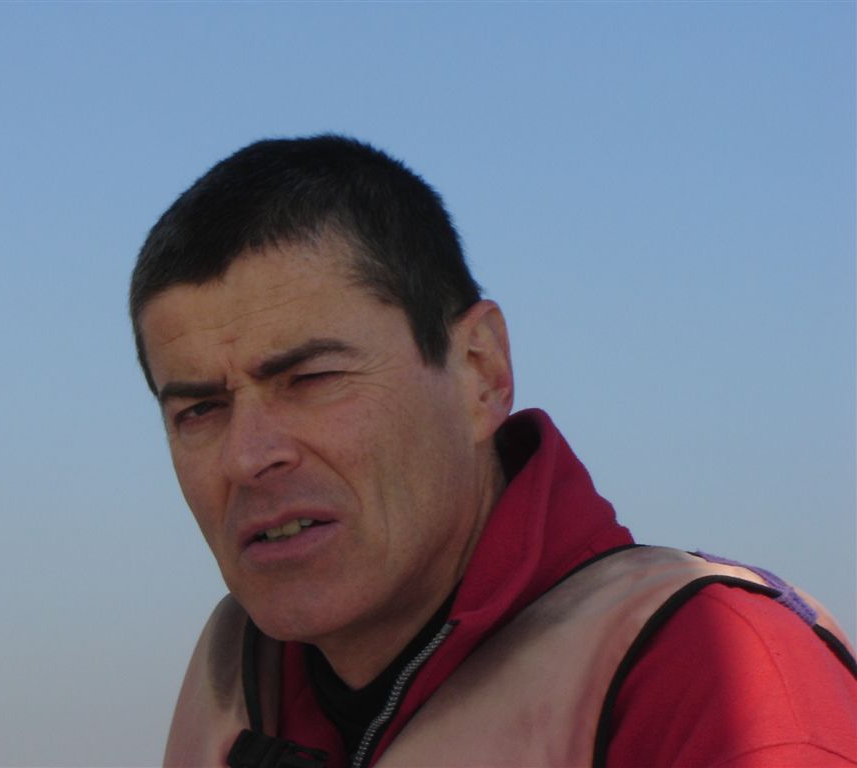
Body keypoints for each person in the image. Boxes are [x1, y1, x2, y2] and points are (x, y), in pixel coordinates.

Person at [130, 135, 856, 768]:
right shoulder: (236, 679)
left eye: (311, 379)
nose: (248, 456)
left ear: (481, 373)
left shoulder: (718, 677)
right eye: (199, 410)